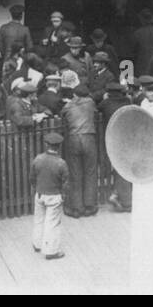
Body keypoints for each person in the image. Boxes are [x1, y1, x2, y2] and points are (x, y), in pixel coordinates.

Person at [61, 85, 100, 218]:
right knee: (90, 171)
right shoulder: (90, 102)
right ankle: (90, 206)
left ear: (75, 94)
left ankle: (77, 208)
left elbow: (63, 114)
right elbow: (94, 112)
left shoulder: (68, 105)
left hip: (73, 139)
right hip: (89, 138)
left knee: (75, 173)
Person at [31, 132, 68, 259]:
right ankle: (51, 251)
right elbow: (65, 182)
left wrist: (36, 188)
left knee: (38, 220)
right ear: (59, 146)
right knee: (52, 223)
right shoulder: (61, 163)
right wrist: (63, 195)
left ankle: (37, 243)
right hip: (54, 195)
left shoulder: (38, 159)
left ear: (46, 145)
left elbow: (32, 177)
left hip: (40, 194)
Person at [99, 81, 133, 212]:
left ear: (108, 93)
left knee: (119, 168)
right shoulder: (127, 102)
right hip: (127, 138)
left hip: (112, 139)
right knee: (123, 167)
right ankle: (118, 195)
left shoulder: (106, 103)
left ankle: (124, 199)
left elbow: (99, 109)